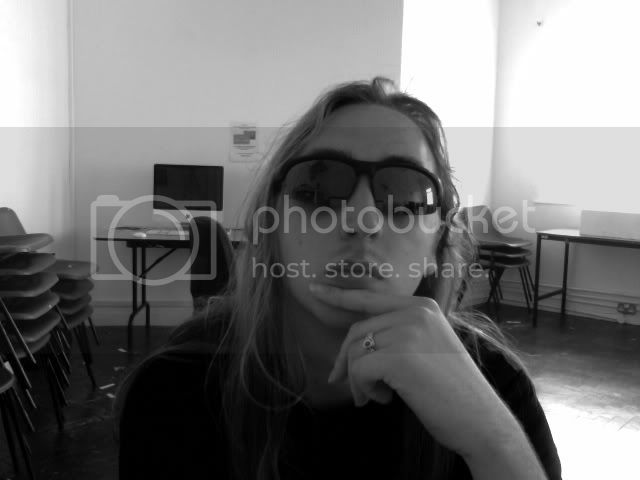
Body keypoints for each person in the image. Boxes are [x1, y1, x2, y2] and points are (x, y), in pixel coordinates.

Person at [116, 78, 562, 480]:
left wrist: (493, 442)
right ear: (271, 229)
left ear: (436, 246)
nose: (361, 218)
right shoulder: (176, 391)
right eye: (318, 187)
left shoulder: (495, 388)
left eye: (406, 194)